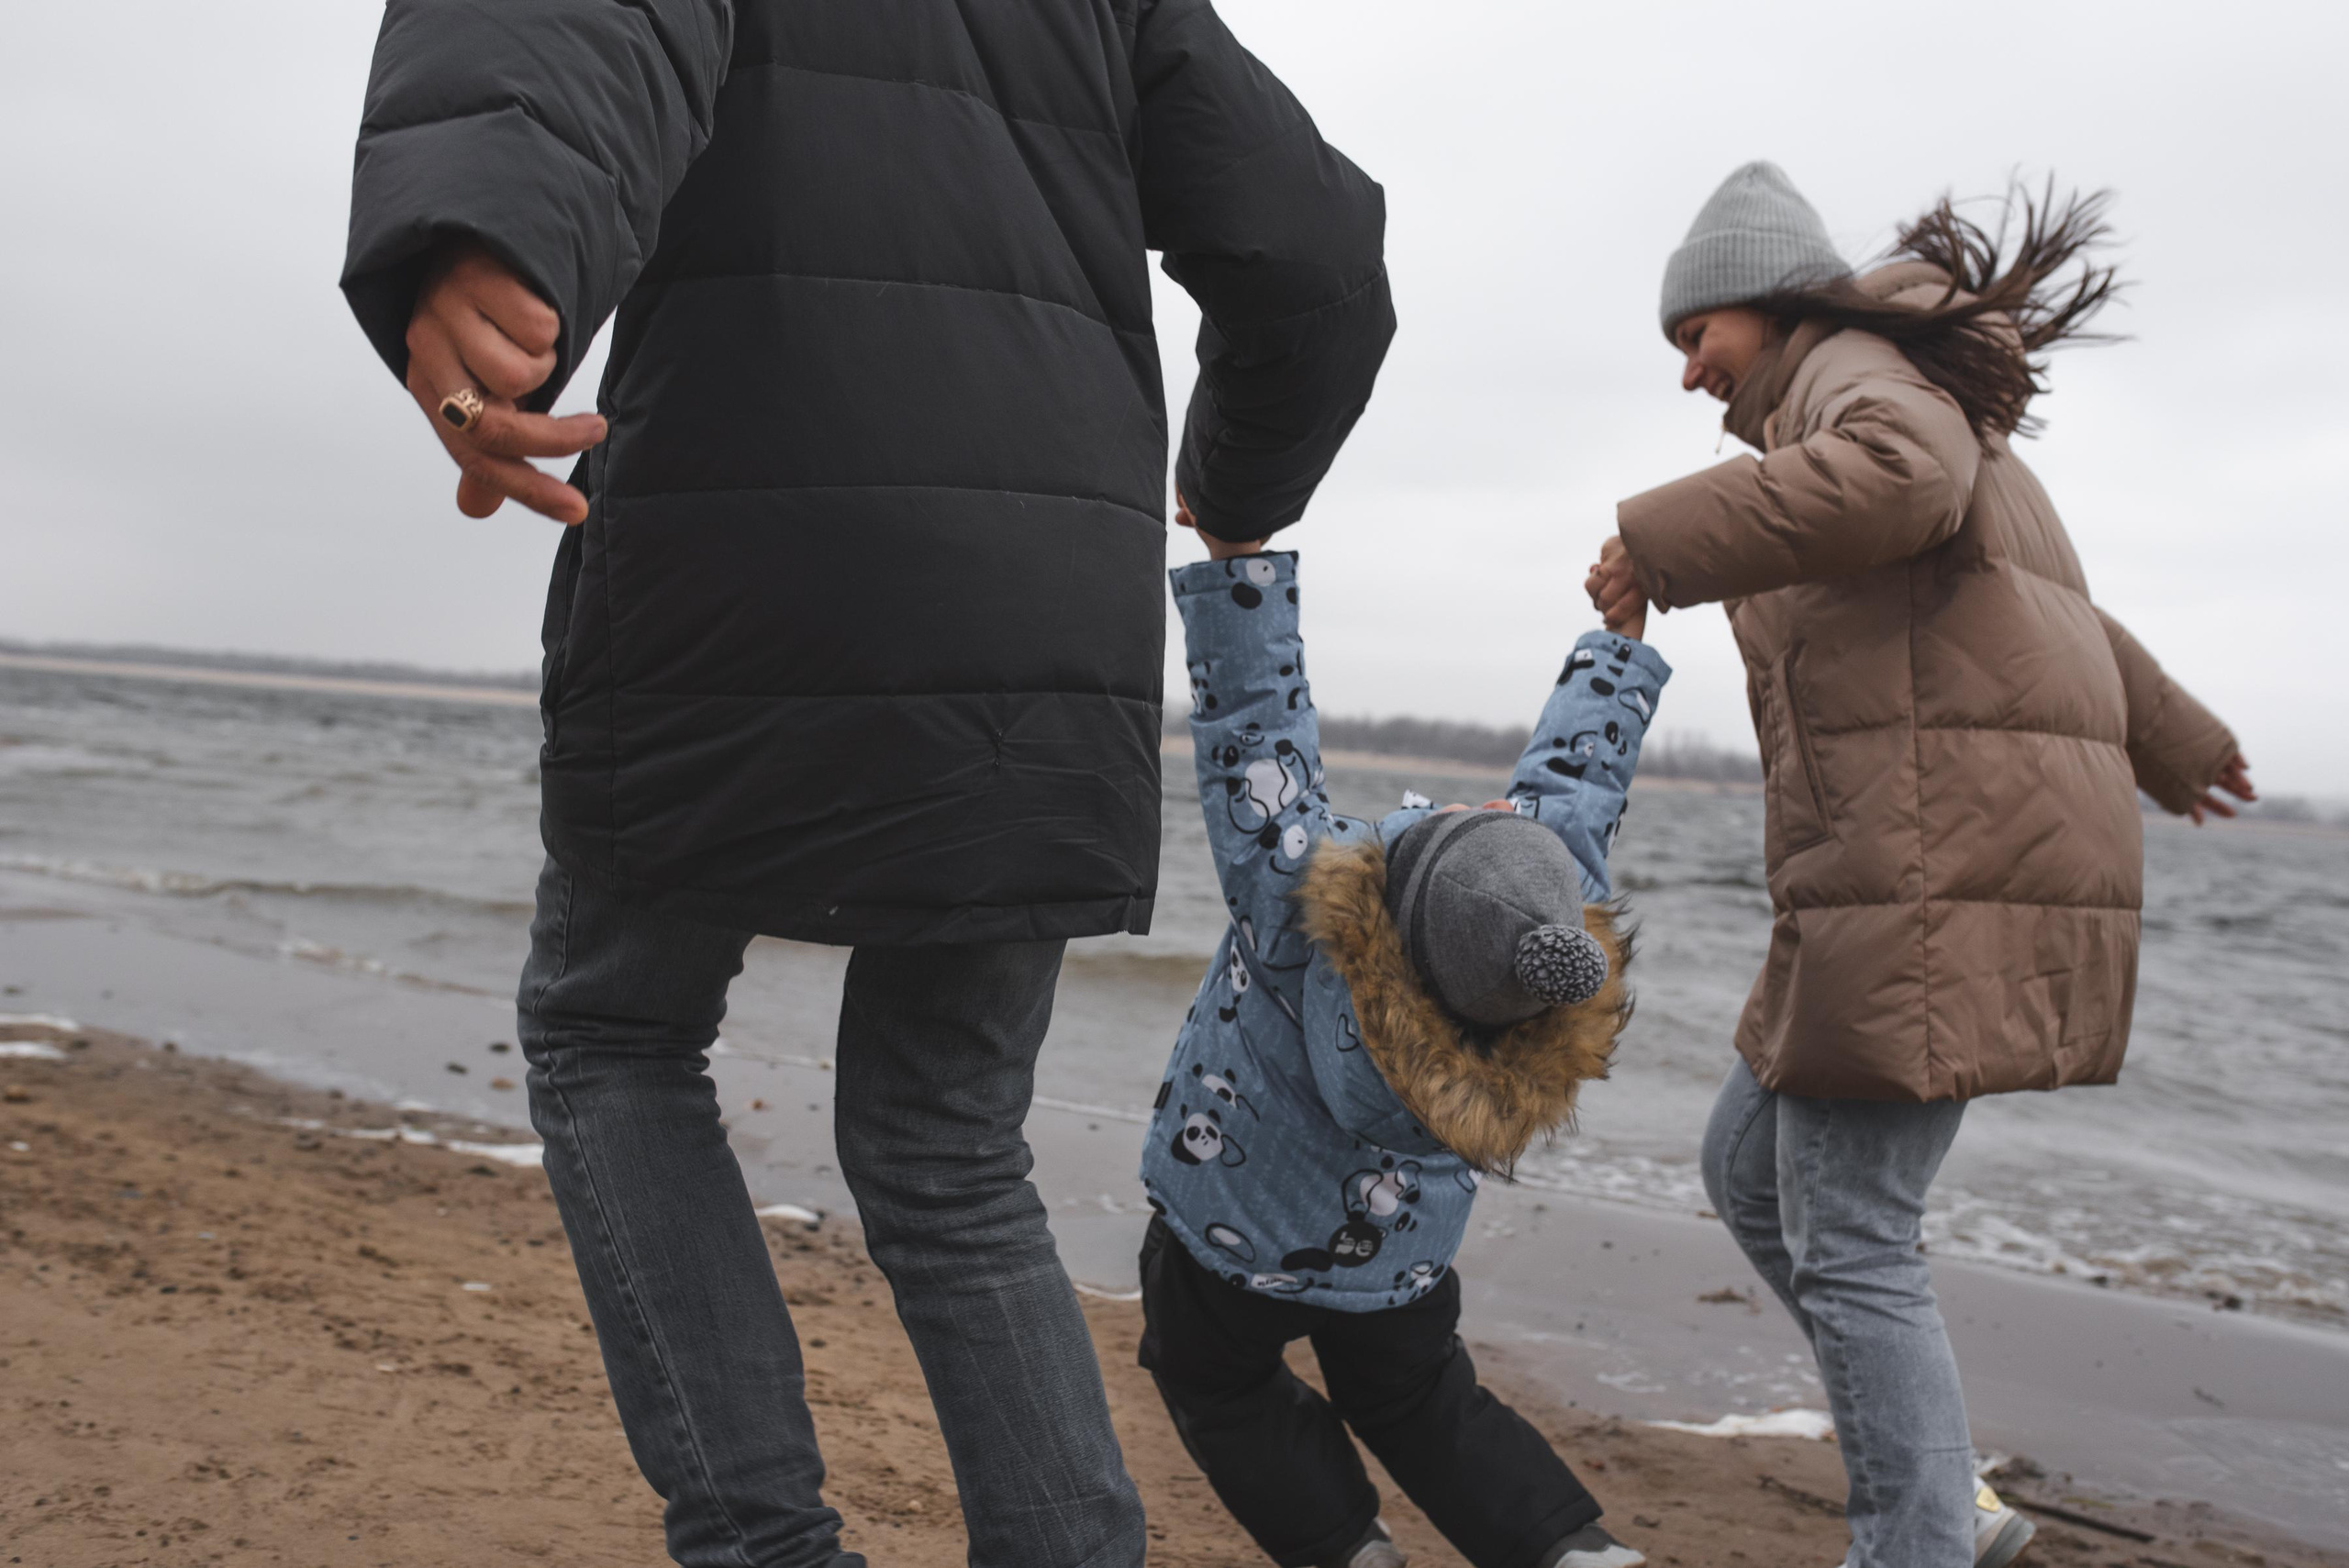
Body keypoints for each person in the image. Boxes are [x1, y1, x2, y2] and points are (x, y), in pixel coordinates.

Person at [337, 5, 1395, 1566]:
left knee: (613, 1030)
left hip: (746, 551)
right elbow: (1314, 260)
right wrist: (1242, 479)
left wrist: (487, 218)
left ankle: (766, 1543)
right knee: (949, 1139)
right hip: (1037, 604)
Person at [1585, 161, 2253, 1568]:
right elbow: (2055, 609)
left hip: (1937, 871)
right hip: (1904, 864)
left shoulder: (1862, 386)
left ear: (1761, 307)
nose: (1689, 372)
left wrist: (1655, 539)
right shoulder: (1877, 392)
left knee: (1852, 1231)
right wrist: (2175, 735)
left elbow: (1904, 482)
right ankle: (1950, 1497)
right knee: (1751, 1167)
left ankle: (1921, 1540)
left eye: (1693, 336)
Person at [1138, 506, 1666, 1568]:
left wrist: (1238, 562)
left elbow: (1255, 729)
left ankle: (1342, 1545)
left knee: (1211, 1376)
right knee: (1422, 1394)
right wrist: (1618, 641)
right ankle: (1567, 1550)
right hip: (1399, 1261)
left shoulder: (1297, 898)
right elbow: (1575, 781)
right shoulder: (1549, 936)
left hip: (1227, 1233)